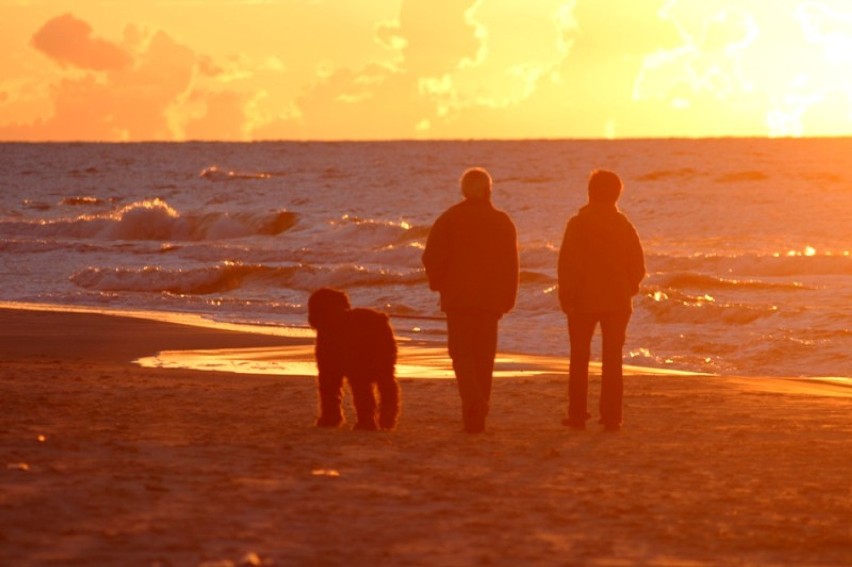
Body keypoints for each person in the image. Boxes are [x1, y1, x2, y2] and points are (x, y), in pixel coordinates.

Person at [422, 167, 519, 434]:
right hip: (489, 302)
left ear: (464, 191)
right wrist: (508, 297)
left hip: (458, 299)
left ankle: (474, 406)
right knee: (484, 358)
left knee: (461, 355)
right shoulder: (501, 221)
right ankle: (477, 416)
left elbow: (431, 257)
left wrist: (439, 284)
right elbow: (511, 266)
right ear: (489, 190)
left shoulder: (450, 218)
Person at [558, 169, 645, 431]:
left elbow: (568, 264)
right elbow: (638, 266)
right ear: (617, 194)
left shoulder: (578, 223)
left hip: (583, 300)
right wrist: (628, 288)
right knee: (612, 358)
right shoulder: (624, 225)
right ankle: (611, 417)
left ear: (590, 193)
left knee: (580, 356)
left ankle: (577, 415)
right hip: (617, 301)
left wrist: (567, 296)